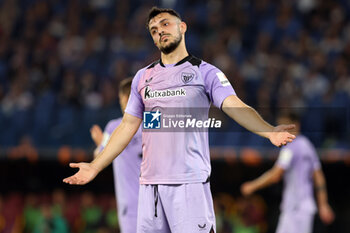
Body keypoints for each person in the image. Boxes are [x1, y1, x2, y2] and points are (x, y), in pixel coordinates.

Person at [64, 7, 295, 232]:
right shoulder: (143, 78)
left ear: (182, 27)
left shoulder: (205, 72)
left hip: (188, 185)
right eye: (154, 30)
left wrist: (269, 131)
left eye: (165, 24)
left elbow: (234, 105)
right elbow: (127, 126)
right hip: (149, 189)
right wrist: (95, 166)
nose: (159, 31)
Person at [241, 112, 335, 233]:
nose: (279, 130)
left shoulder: (291, 147)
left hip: (295, 209)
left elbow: (276, 174)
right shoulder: (307, 145)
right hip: (303, 208)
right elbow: (319, 176)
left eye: (282, 126)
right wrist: (323, 204)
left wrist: (252, 186)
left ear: (295, 126)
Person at [90, 78, 142, 233]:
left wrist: (101, 144)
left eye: (120, 99)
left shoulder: (114, 128)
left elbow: (98, 159)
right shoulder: (156, 123)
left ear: (126, 99)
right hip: (156, 203)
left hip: (130, 206)